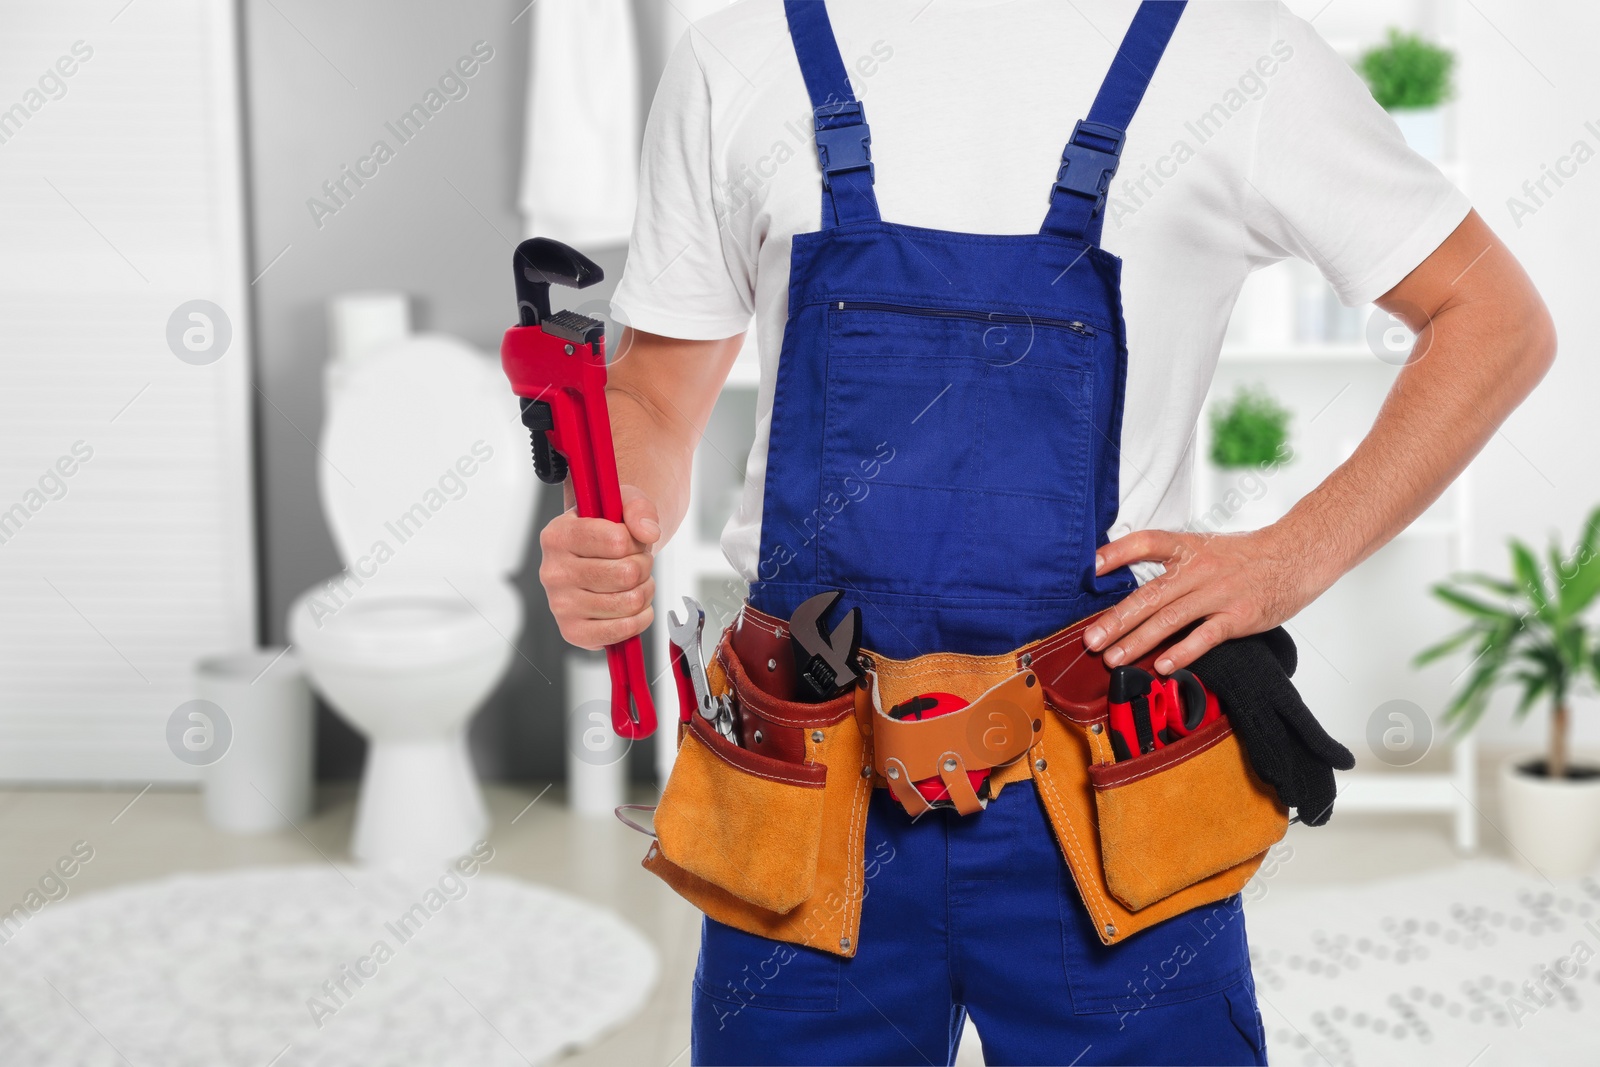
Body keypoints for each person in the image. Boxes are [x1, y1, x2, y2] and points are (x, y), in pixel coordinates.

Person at [537, 2, 1554, 1064]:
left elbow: (1492, 317)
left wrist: (1292, 554)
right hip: (805, 784)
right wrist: (609, 520)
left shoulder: (1235, 51)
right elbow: (654, 395)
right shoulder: (737, 53)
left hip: (1107, 786)